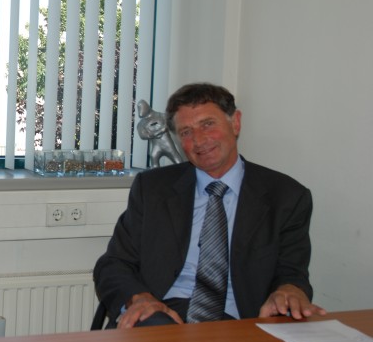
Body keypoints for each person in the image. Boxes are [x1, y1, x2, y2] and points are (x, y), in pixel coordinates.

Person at [93, 82, 325, 329]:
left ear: (235, 123)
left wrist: (289, 290)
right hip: (162, 313)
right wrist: (139, 299)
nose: (199, 140)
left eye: (207, 124)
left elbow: (291, 272)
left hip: (240, 323)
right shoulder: (152, 189)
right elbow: (113, 264)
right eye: (186, 132)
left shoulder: (286, 196)